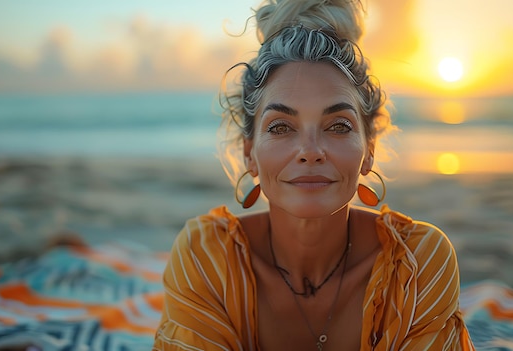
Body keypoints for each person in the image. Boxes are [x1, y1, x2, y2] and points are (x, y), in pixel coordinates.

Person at [153, 0, 475, 350]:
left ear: (369, 150)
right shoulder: (205, 258)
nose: (310, 151)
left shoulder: (417, 264)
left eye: (338, 125)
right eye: (280, 127)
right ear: (250, 154)